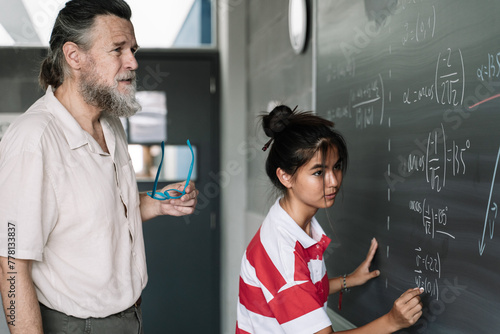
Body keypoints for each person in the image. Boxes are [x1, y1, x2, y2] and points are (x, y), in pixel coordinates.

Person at [0, 1, 198, 333]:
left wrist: (154, 203)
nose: (133, 62)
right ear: (74, 56)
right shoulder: (33, 139)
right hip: (74, 325)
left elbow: (99, 215)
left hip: (129, 315)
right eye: (118, 50)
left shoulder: (109, 123)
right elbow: (10, 261)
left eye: (132, 49)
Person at [236, 105, 423, 334]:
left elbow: (305, 288)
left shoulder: (297, 226)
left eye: (337, 167)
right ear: (285, 176)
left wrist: (349, 280)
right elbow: (293, 283)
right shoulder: (282, 254)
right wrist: (392, 321)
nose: (333, 181)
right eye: (318, 172)